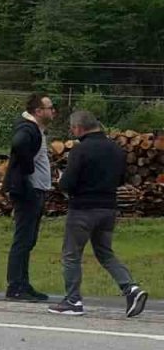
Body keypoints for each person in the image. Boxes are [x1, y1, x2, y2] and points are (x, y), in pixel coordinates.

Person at [49, 110, 149, 318]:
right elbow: (122, 179)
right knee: (105, 252)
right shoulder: (116, 149)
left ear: (78, 127)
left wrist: (61, 181)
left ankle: (73, 300)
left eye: (73, 128)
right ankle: (130, 288)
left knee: (71, 254)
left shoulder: (80, 150)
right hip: (108, 209)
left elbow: (67, 183)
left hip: (83, 210)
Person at [4, 94, 56, 302]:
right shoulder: (28, 128)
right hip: (28, 191)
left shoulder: (35, 128)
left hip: (35, 190)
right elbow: (18, 144)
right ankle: (16, 285)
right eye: (49, 108)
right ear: (38, 111)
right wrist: (28, 168)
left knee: (29, 239)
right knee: (23, 238)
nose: (53, 111)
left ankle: (23, 283)